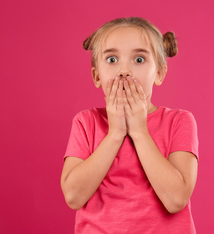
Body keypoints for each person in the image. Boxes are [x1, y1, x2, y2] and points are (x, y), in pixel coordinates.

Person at [60, 17, 199, 233]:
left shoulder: (180, 121)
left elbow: (176, 199)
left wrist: (139, 131)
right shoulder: (86, 122)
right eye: (112, 60)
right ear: (97, 76)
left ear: (160, 73)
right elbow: (73, 196)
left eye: (139, 60)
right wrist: (115, 133)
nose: (124, 71)